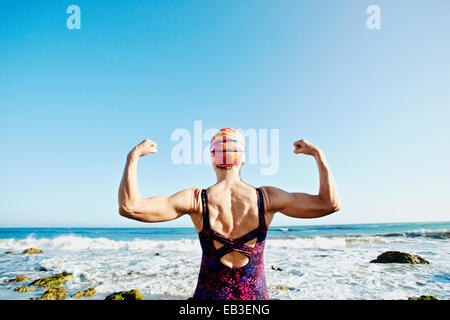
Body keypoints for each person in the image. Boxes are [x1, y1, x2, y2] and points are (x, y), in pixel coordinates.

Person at [118, 128, 340, 300]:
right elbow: (329, 204)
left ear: (213, 159)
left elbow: (130, 206)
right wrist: (318, 155)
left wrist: (133, 156)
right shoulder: (267, 198)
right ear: (242, 159)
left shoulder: (196, 200)